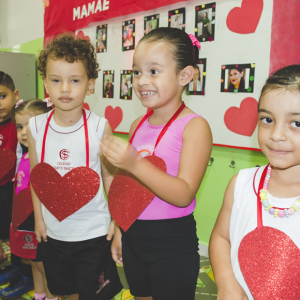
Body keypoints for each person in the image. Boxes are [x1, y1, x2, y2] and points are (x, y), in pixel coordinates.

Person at [101, 28, 212, 300]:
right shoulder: (137, 125)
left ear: (184, 75)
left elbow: (184, 194)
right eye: (137, 72)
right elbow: (128, 188)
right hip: (133, 237)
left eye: (154, 71)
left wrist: (135, 163)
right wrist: (118, 226)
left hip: (171, 244)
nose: (141, 81)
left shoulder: (194, 127)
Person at [27, 35, 122, 300]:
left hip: (94, 235)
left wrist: (117, 222)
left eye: (75, 80)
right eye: (56, 80)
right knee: (65, 292)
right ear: (45, 82)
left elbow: (109, 179)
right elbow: (37, 177)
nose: (65, 88)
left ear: (90, 85)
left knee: (93, 295)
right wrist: (38, 218)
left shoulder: (99, 127)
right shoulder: (35, 127)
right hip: (54, 235)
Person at [209, 65, 300, 300]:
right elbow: (221, 237)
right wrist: (226, 282)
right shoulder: (241, 183)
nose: (276, 134)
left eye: (296, 123)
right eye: (267, 119)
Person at [0, 99, 53, 300]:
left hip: (39, 222)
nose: (24, 132)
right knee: (32, 263)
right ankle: (39, 295)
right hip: (24, 219)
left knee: (42, 264)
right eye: (20, 126)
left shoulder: (44, 159)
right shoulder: (25, 156)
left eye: (31, 126)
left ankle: (50, 295)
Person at [0, 72, 22, 264]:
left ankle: (19, 264)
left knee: (13, 227)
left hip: (13, 185)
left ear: (15, 94)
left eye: (2, 96)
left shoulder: (19, 122)